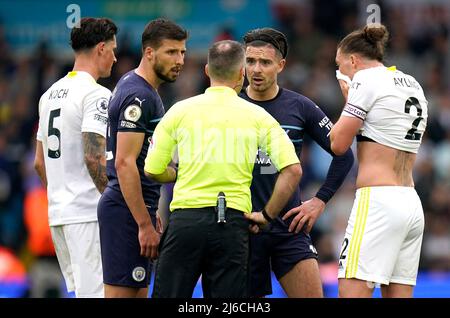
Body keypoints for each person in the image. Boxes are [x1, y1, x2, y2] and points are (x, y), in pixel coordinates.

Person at [144, 40, 302, 298]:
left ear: (207, 71)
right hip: (232, 224)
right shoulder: (258, 116)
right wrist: (266, 216)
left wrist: (175, 173)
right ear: (242, 72)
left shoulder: (180, 111)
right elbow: (293, 171)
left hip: (186, 221)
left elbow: (152, 169)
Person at [240, 28, 354, 298]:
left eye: (265, 62)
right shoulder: (230, 105)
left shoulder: (300, 107)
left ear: (280, 65)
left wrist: (319, 201)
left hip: (288, 227)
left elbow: (344, 154)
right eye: (250, 61)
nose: (256, 69)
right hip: (241, 229)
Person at [329, 23, 428, 297]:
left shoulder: (364, 80)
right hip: (410, 201)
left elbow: (338, 144)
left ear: (352, 60)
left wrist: (347, 97)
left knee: (350, 290)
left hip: (378, 202)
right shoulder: (412, 82)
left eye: (339, 65)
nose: (340, 72)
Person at [97, 18, 187, 298]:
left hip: (135, 209)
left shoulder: (145, 90)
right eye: (171, 52)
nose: (180, 60)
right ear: (149, 53)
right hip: (125, 212)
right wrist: (143, 224)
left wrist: (150, 213)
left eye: (182, 52)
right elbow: (124, 163)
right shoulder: (138, 96)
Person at [34, 17, 117, 298]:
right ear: (101, 48)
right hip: (88, 214)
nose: (116, 58)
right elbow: (94, 158)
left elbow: (38, 162)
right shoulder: (97, 94)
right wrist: (116, 204)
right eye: (113, 50)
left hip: (59, 215)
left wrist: (62, 194)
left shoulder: (48, 95)